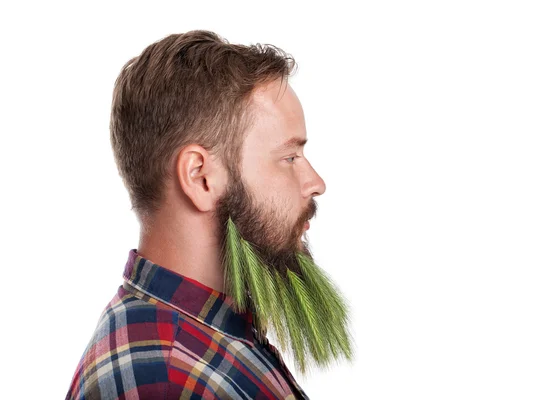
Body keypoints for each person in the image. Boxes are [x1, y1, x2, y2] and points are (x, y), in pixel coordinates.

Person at [66, 30, 353, 400]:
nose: (316, 183)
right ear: (200, 177)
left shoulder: (211, 334)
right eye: (289, 158)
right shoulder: (164, 376)